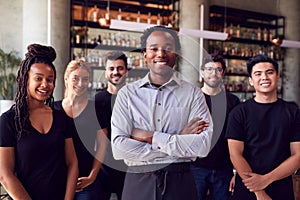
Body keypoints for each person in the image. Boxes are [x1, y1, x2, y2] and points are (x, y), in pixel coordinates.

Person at [111, 25, 213, 200]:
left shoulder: (193, 94)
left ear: (177, 54)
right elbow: (119, 148)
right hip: (138, 181)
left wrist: (151, 136)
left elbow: (202, 146)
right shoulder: (127, 95)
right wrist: (179, 139)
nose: (161, 54)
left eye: (168, 48)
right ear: (145, 54)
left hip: (180, 183)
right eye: (154, 48)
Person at [0, 43, 78, 200]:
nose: (45, 84)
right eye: (38, 78)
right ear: (25, 80)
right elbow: (4, 174)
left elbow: (72, 164)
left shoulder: (61, 118)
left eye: (50, 80)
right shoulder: (8, 121)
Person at [225, 54, 300, 200]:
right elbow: (235, 154)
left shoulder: (293, 112)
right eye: (258, 74)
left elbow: (297, 155)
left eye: (269, 72)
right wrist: (260, 193)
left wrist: (266, 179)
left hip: (281, 188)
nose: (264, 77)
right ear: (251, 81)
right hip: (247, 189)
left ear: (278, 77)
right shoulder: (239, 112)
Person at [54, 59, 108, 200]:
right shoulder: (53, 109)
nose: (80, 83)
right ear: (66, 79)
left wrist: (92, 176)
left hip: (85, 181)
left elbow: (102, 145)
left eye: (85, 79)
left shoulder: (96, 109)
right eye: (75, 78)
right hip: (57, 179)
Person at [190, 53, 240, 200]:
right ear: (202, 72)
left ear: (223, 73)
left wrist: (236, 171)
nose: (214, 73)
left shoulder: (233, 101)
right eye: (210, 69)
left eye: (218, 69)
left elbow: (238, 137)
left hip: (224, 169)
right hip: (195, 167)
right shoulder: (191, 99)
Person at [95, 51, 128, 200]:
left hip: (129, 166)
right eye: (111, 68)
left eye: (120, 68)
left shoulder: (135, 98)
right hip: (103, 166)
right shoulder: (98, 99)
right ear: (106, 71)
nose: (116, 72)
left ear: (126, 71)